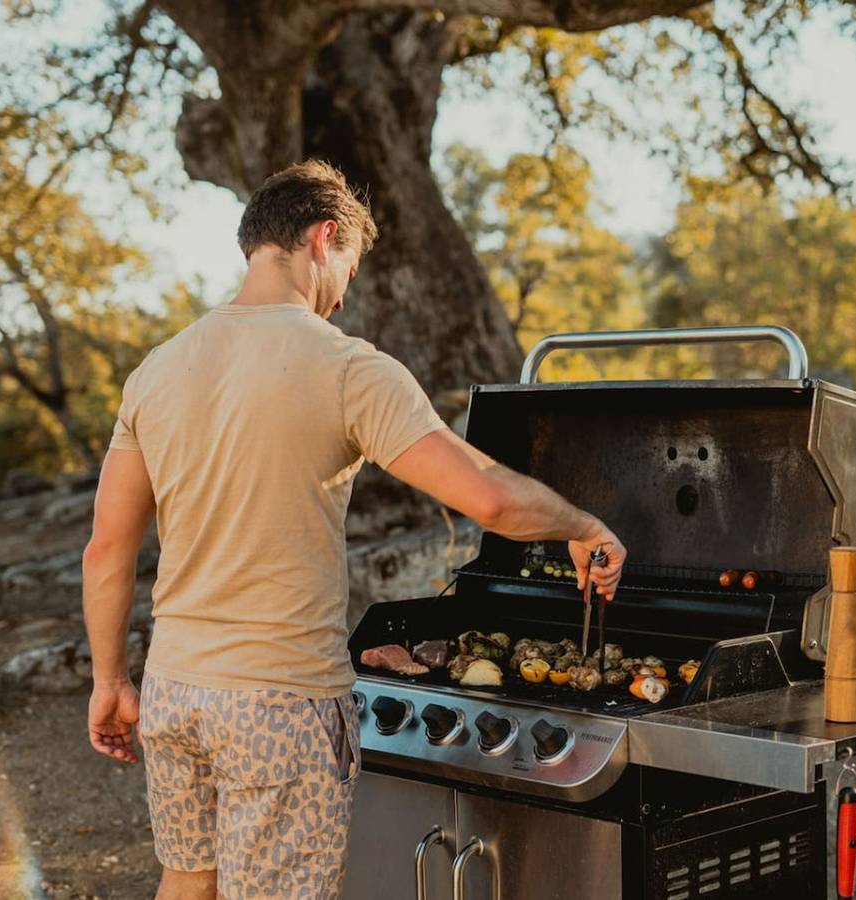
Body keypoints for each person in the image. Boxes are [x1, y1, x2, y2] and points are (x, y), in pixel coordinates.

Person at [80, 159, 627, 900]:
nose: (342, 297)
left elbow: (107, 549)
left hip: (176, 688)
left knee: (187, 882)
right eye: (349, 269)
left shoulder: (158, 369)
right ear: (323, 237)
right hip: (281, 702)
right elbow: (491, 501)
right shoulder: (347, 368)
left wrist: (109, 680)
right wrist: (581, 523)